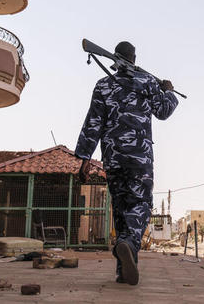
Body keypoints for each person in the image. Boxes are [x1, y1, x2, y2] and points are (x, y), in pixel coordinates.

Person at [74, 41, 179, 285]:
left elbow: (93, 124)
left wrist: (84, 159)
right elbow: (163, 111)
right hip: (139, 158)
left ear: (116, 59)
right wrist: (169, 91)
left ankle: (123, 271)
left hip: (113, 158)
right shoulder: (147, 82)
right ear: (134, 58)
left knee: (121, 210)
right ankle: (129, 244)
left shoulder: (103, 86)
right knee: (140, 204)